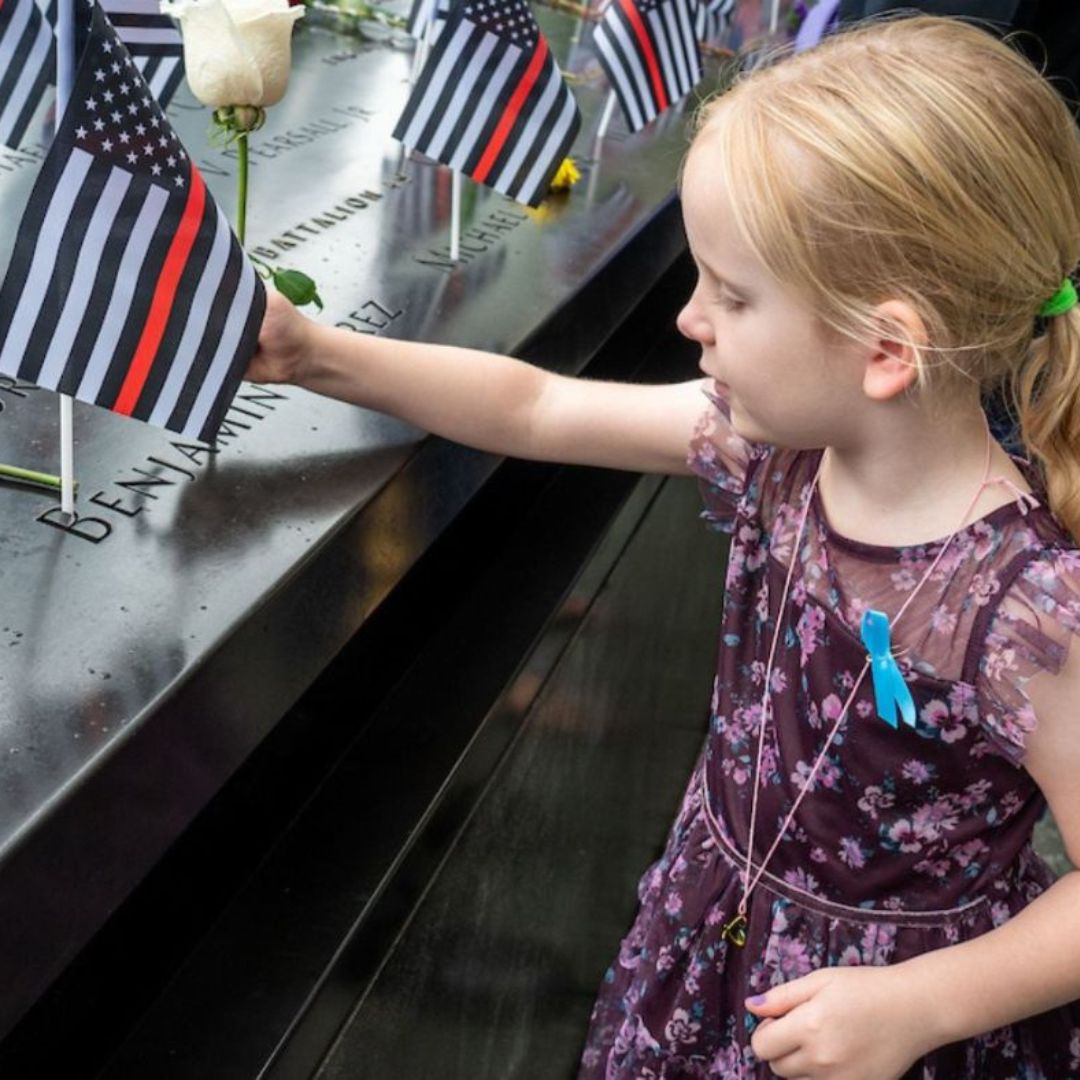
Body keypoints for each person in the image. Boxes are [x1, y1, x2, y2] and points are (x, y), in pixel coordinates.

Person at [250, 15, 1080, 1077]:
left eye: (732, 295)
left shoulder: (1024, 614)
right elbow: (540, 408)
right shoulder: (777, 452)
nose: (692, 318)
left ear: (884, 348)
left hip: (878, 1030)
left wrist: (921, 1003)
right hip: (709, 949)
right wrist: (317, 354)